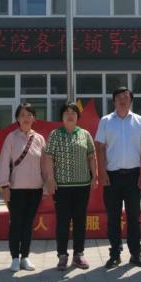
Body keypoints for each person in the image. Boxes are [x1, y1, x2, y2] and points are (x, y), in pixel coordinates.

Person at [96, 87, 141, 269]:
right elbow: (100, 148)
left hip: (133, 176)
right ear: (113, 101)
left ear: (131, 100)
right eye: (119, 97)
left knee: (134, 217)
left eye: (126, 97)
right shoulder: (105, 121)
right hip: (111, 176)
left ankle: (136, 254)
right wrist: (102, 172)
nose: (122, 100)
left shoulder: (140, 121)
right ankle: (114, 254)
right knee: (113, 218)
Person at [43, 103, 98, 271]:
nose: (70, 115)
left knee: (80, 221)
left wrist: (95, 177)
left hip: (82, 185)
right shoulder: (55, 134)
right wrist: (50, 179)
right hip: (61, 186)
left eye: (73, 112)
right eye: (66, 112)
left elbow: (92, 156)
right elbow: (49, 158)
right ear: (61, 116)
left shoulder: (85, 134)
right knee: (63, 221)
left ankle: (78, 254)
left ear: (77, 116)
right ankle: (62, 255)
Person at [0, 103, 47, 273]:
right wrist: (4, 185)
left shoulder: (39, 139)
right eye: (22, 115)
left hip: (35, 189)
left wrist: (46, 185)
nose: (26, 118)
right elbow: (4, 162)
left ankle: (25, 256)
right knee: (16, 223)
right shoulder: (11, 138)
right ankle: (14, 258)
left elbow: (44, 164)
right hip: (16, 189)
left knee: (28, 224)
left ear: (34, 118)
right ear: (17, 118)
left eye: (29, 115)